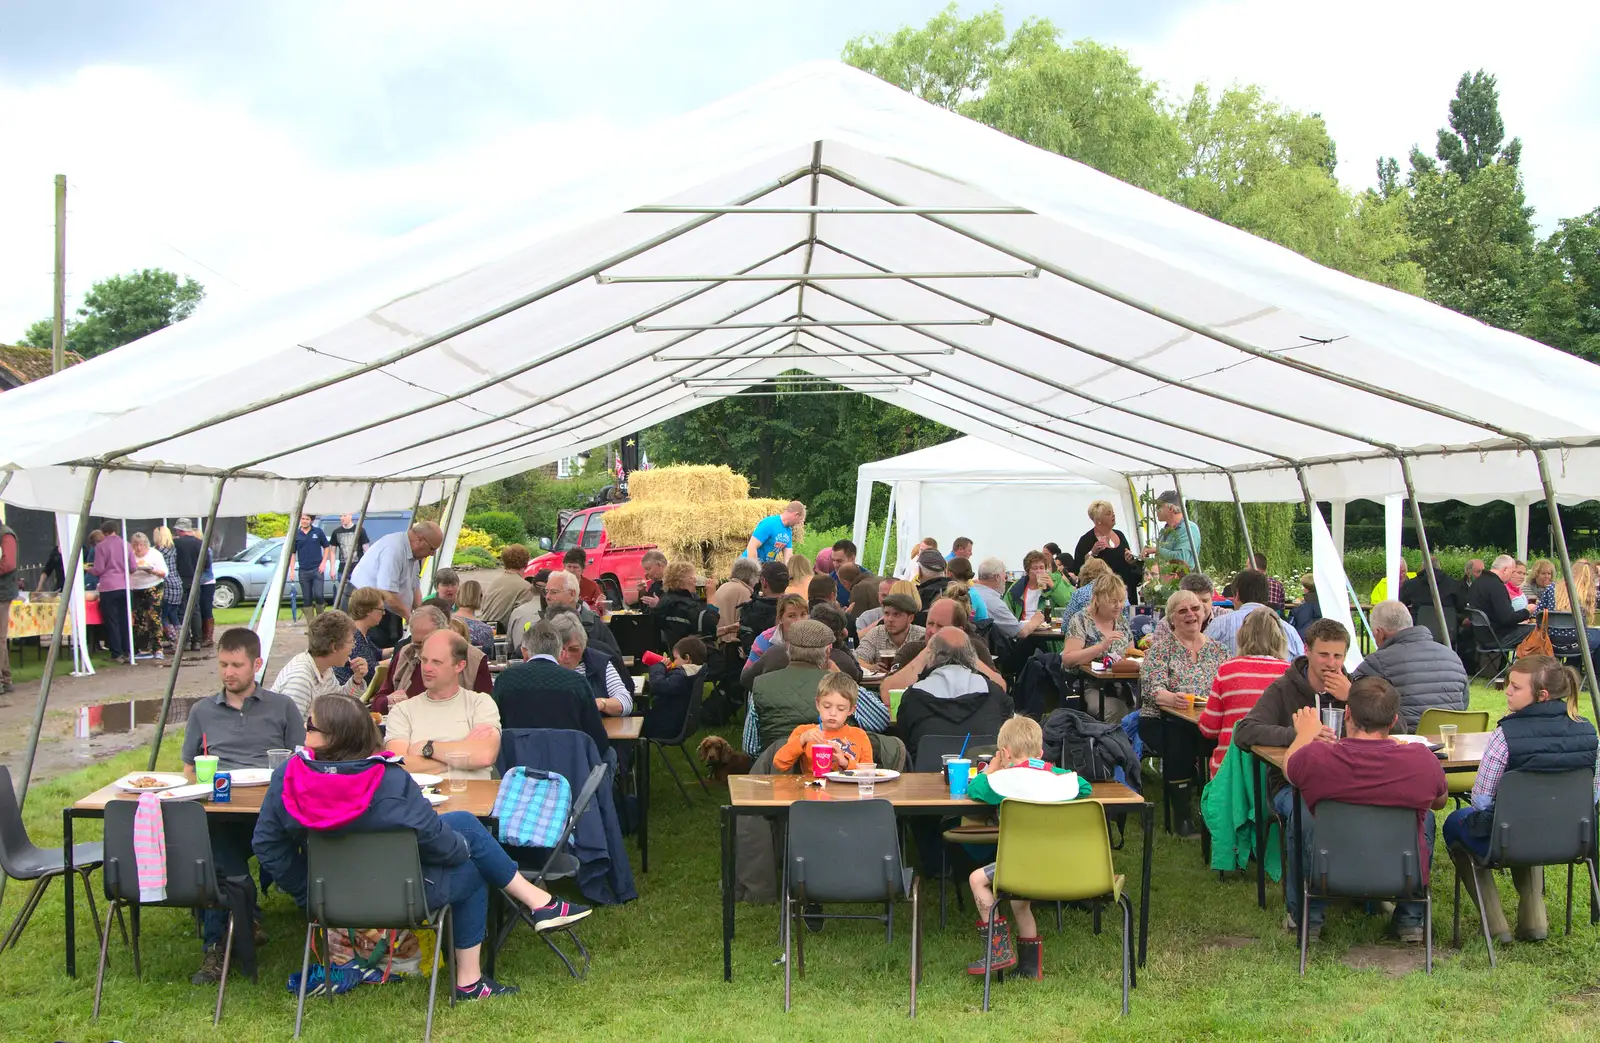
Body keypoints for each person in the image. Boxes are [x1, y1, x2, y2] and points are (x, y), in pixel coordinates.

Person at [253, 693, 588, 1003]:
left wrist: (307, 891)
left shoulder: (288, 779)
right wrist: (462, 849)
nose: (303, 732)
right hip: (402, 899)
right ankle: (472, 979)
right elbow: (437, 845)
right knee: (472, 865)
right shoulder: (389, 780)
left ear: (334, 737)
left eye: (309, 726)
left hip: (329, 898)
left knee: (462, 821)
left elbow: (267, 845)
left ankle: (537, 903)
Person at [1443, 655, 1600, 944]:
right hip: (1572, 838)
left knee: (1457, 822)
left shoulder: (1504, 736)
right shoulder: (1590, 732)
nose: (1507, 691)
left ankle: (1495, 925)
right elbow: (1593, 793)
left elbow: (1481, 800)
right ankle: (1534, 920)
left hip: (1511, 835)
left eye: (1515, 687)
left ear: (1541, 696)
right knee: (1525, 821)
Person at [1283, 675, 1447, 943]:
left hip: (1329, 871)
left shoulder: (1317, 758)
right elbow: (1440, 802)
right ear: (1394, 721)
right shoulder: (1421, 760)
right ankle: (1410, 918)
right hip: (1400, 874)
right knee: (1425, 817)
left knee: (1301, 814)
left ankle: (1308, 917)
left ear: (1347, 713)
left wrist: (1304, 733)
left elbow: (1289, 769)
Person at [181, 627, 305, 983]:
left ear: (257, 664)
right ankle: (221, 941)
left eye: (236, 665)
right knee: (221, 858)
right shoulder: (203, 711)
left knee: (226, 864)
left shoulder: (282, 707)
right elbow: (190, 768)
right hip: (221, 806)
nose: (228, 673)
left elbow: (299, 761)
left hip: (271, 809)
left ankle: (242, 914)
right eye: (222, 665)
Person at [1231, 618, 1355, 938]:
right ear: (1307, 651)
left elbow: (1393, 726)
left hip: (1349, 780)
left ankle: (1388, 897)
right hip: (1292, 782)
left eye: (1338, 657)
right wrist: (1298, 734)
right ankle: (1304, 914)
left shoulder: (1351, 684)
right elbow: (1244, 732)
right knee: (1306, 815)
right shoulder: (1284, 688)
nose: (1331, 664)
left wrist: (1353, 697)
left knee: (1399, 806)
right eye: (1324, 655)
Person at [961, 714, 1091, 977]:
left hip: (1019, 865)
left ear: (1004, 753)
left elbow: (975, 788)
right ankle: (1031, 968)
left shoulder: (1000, 781)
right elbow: (1085, 788)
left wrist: (993, 767)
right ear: (1041, 752)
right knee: (1020, 903)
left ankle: (997, 951)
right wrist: (1053, 770)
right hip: (1060, 864)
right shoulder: (1062, 780)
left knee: (977, 880)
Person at [1138, 589, 1229, 837]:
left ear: (1204, 614)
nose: (1191, 614)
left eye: (1196, 608)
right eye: (1183, 611)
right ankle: (1183, 818)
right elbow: (1151, 689)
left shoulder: (1220, 651)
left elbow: (1228, 688)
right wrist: (1171, 698)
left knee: (1232, 739)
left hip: (1206, 720)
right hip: (1162, 718)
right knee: (1179, 741)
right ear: (1172, 620)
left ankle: (1221, 814)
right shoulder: (1161, 649)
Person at [384, 630, 501, 777]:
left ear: (459, 666)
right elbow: (398, 766)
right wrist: (461, 756)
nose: (426, 668)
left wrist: (426, 747)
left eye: (436, 662)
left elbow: (484, 755)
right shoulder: (402, 710)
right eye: (424, 660)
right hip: (421, 798)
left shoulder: (480, 703)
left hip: (475, 797)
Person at [894, 630, 1014, 767]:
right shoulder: (995, 694)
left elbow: (904, 741)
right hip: (983, 777)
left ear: (931, 656)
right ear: (971, 657)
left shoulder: (912, 697)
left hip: (924, 778)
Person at [492, 620, 610, 753]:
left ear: (524, 652)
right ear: (560, 653)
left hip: (516, 766)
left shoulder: (504, 680)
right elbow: (598, 739)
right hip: (570, 766)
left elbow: (494, 729)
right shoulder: (577, 682)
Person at [1199, 608, 1291, 776]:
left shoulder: (1228, 669)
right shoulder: (1289, 674)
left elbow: (1209, 728)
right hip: (1274, 770)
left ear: (1241, 636)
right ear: (1280, 639)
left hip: (1229, 769)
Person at [1352, 600, 1469, 730]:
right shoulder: (1453, 656)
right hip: (1451, 738)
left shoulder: (1376, 662)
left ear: (1379, 633)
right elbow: (1464, 703)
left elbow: (1364, 711)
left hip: (1405, 742)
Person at [376, 604, 493, 713]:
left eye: (429, 642)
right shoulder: (406, 654)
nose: (423, 650)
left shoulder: (473, 659)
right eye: (417, 644)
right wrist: (389, 701)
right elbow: (378, 701)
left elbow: (486, 709)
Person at [743, 619, 836, 755]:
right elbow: (877, 720)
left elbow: (750, 748)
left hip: (776, 769)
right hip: (829, 768)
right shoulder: (842, 686)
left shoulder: (761, 686)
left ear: (788, 649)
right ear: (827, 652)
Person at [881, 597, 1006, 695]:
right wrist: (926, 653)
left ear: (959, 630)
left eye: (940, 626)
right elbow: (886, 692)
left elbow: (1001, 688)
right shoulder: (912, 650)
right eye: (930, 624)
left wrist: (966, 653)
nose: (933, 631)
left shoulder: (975, 648)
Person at [350, 521, 444, 650]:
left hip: (390, 611)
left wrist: (423, 614)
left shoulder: (414, 555)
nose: (432, 554)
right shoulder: (394, 549)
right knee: (373, 652)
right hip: (369, 610)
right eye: (432, 549)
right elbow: (387, 594)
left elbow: (414, 588)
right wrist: (411, 618)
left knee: (395, 646)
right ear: (420, 540)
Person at [270, 610, 368, 716]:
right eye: (351, 642)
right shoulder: (300, 679)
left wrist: (357, 679)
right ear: (334, 647)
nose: (352, 647)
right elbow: (289, 729)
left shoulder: (324, 669)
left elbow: (339, 703)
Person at [772, 672, 873, 772]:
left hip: (847, 788)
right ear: (818, 704)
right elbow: (780, 764)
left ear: (851, 710)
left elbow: (869, 772)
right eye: (827, 706)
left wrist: (845, 763)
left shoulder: (859, 736)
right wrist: (802, 739)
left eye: (841, 709)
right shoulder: (804, 732)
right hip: (812, 786)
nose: (833, 713)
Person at [545, 608, 633, 720]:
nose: (566, 655)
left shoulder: (598, 663)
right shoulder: (542, 665)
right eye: (560, 649)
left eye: (573, 649)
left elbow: (625, 702)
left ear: (584, 646)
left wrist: (601, 703)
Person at [1204, 569, 1305, 657]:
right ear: (1266, 595)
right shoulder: (1289, 631)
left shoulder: (1219, 625)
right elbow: (1302, 666)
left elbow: (1202, 656)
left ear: (1237, 594)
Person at [1060, 573, 1132, 669]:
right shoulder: (1081, 620)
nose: (1118, 606)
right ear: (1097, 600)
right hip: (1083, 681)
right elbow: (1067, 660)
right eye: (1113, 601)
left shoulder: (1122, 621)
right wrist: (1101, 647)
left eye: (1121, 600)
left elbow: (1131, 654)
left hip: (1118, 681)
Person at [1070, 500, 1143, 593]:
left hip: (1125, 588)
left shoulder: (1120, 534)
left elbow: (1128, 561)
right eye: (1108, 514)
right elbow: (1079, 568)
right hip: (1101, 591)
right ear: (1098, 520)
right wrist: (1093, 552)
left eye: (1113, 512)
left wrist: (1131, 560)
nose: (1113, 515)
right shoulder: (1086, 540)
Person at [542, 569, 619, 655]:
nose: (547, 597)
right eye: (546, 592)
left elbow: (615, 659)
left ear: (572, 594)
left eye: (553, 592)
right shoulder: (542, 625)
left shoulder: (594, 625)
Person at [644, 636, 707, 740]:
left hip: (665, 726)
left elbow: (657, 687)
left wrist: (658, 667)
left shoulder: (682, 676)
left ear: (687, 658)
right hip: (673, 723)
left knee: (630, 721)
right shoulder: (692, 674)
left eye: (675, 658)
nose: (674, 662)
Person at [1468, 554, 1535, 646]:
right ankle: (1536, 660)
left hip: (1479, 636)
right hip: (1496, 637)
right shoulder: (1497, 586)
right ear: (1505, 570)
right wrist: (1527, 611)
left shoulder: (1477, 582)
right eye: (1512, 572)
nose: (1511, 575)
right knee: (1538, 629)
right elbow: (1508, 619)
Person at [91, 521, 134, 664]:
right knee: (125, 620)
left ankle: (117, 653)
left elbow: (99, 569)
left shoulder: (101, 547)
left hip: (109, 587)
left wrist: (88, 569)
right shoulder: (127, 545)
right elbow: (133, 567)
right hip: (126, 586)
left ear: (104, 532)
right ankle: (128, 651)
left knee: (112, 621)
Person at [1541, 558, 1600, 658]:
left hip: (1550, 642)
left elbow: (1538, 613)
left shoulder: (1551, 588)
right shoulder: (1589, 594)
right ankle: (1594, 672)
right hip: (1579, 644)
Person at [172, 518, 215, 653]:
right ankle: (196, 641)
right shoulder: (201, 544)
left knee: (181, 611)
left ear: (180, 530)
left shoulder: (175, 544)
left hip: (180, 579)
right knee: (195, 610)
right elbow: (207, 564)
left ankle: (184, 641)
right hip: (195, 579)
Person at [855, 593, 927, 672]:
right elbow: (857, 660)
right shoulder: (876, 633)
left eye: (896, 615)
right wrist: (871, 667)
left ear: (910, 618)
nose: (890, 619)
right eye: (887, 614)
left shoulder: (922, 635)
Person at [654, 561, 715, 652]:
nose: (695, 580)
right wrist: (711, 596)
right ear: (681, 581)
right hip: (691, 655)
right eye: (692, 577)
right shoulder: (685, 605)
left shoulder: (666, 600)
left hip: (674, 653)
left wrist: (727, 629)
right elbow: (709, 624)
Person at [127, 531, 167, 659]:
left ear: (146, 545)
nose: (139, 548)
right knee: (137, 619)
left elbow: (164, 573)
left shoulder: (155, 555)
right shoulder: (129, 555)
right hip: (135, 588)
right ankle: (140, 647)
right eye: (136, 545)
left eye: (142, 545)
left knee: (154, 616)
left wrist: (152, 571)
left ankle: (158, 648)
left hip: (153, 587)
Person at [478, 544, 537, 631]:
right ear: (526, 562)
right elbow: (523, 617)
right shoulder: (525, 587)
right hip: (502, 633)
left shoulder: (495, 581)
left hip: (484, 629)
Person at [1154, 573, 1232, 639]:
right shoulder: (1166, 625)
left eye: (1205, 601)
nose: (1200, 606)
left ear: (1212, 599)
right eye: (1195, 603)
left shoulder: (1227, 617)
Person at [1004, 550, 1073, 623]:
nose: (1039, 571)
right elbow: (1006, 609)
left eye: (1041, 567)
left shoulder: (1056, 581)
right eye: (1035, 568)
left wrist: (1054, 587)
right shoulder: (1018, 586)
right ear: (1028, 571)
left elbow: (1069, 602)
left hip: (1048, 628)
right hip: (1024, 627)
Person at [337, 586, 386, 686]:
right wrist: (398, 658)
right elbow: (371, 671)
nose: (384, 613)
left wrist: (399, 648)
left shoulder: (361, 633)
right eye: (381, 609)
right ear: (368, 610)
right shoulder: (353, 637)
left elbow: (377, 653)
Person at [1398, 555, 1470, 623]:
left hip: (1418, 630)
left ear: (1423, 567)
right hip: (1448, 631)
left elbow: (1399, 605)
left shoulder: (1411, 584)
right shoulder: (1454, 584)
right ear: (1439, 567)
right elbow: (1462, 608)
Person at [1144, 491, 1201, 571]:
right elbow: (1162, 561)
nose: (1156, 510)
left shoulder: (1189, 529)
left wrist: (1157, 550)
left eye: (1159, 506)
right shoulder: (1165, 529)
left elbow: (1182, 559)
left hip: (1180, 580)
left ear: (1171, 508)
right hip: (1164, 578)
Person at [152, 525, 186, 656]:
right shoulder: (172, 549)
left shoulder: (159, 551)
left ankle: (172, 639)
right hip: (177, 582)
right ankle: (179, 640)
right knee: (173, 614)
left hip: (167, 584)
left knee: (163, 615)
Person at [292, 513, 333, 621]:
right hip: (303, 570)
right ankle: (311, 625)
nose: (304, 521)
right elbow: (292, 553)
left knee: (318, 595)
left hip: (317, 569)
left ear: (311, 521)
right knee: (307, 598)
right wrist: (291, 570)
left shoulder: (318, 532)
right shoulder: (296, 534)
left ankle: (320, 620)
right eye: (303, 519)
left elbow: (326, 547)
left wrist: (323, 562)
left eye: (307, 519)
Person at [972, 557, 1024, 639]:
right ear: (997, 577)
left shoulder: (971, 592)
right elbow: (1019, 632)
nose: (1005, 580)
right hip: (990, 648)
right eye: (1005, 577)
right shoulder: (994, 603)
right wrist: (1036, 621)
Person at [328, 512, 369, 604]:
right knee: (345, 594)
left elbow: (366, 550)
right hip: (343, 569)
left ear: (350, 515)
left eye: (344, 515)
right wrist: (332, 568)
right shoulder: (336, 532)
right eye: (340, 516)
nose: (342, 518)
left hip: (357, 568)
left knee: (358, 594)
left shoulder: (360, 530)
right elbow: (333, 552)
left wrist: (367, 567)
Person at [453, 579, 497, 658]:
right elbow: (488, 659)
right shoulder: (485, 630)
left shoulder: (445, 621)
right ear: (480, 598)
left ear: (458, 596)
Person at [562, 548, 607, 613]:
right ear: (564, 566)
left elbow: (602, 610)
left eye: (575, 567)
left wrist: (600, 604)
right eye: (569, 566)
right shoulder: (557, 583)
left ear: (583, 569)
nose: (571, 570)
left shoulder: (592, 586)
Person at [830, 539, 858, 604]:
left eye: (839, 561)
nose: (835, 565)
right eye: (833, 560)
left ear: (852, 558)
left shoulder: (866, 577)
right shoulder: (830, 579)